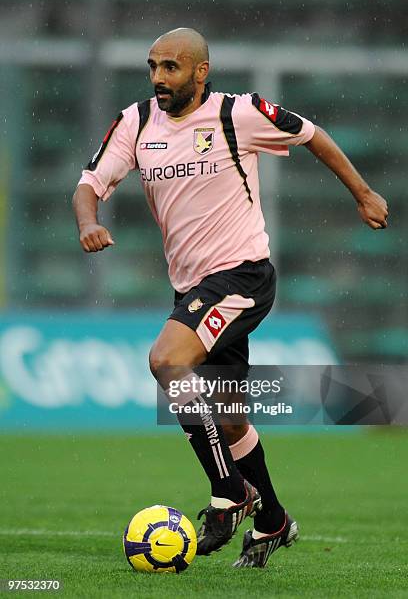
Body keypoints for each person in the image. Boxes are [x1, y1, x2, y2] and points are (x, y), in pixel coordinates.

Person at [73, 28, 388, 568]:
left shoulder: (237, 113)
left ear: (200, 71)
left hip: (243, 276)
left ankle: (230, 493)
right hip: (192, 286)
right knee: (232, 418)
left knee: (167, 361)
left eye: (170, 67)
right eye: (152, 66)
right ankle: (272, 522)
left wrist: (363, 193)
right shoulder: (136, 121)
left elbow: (312, 134)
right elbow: (89, 183)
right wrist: (88, 220)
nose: (157, 78)